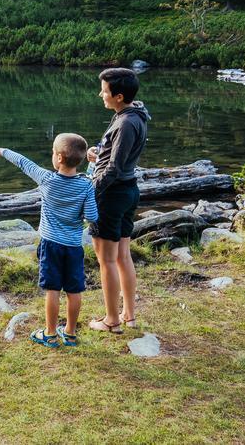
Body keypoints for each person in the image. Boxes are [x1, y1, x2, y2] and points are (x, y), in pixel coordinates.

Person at [0, 134, 98, 348]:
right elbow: (92, 216)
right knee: (74, 291)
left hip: (51, 245)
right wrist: (92, 169)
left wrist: (2, 151)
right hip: (74, 247)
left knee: (53, 290)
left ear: (58, 158)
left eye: (52, 152)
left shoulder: (46, 179)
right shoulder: (86, 185)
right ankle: (70, 333)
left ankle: (49, 334)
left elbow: (23, 163)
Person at [86, 67, 150, 334]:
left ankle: (112, 320)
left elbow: (113, 169)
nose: (101, 94)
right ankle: (128, 316)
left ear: (119, 96)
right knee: (123, 255)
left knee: (107, 260)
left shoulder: (125, 122)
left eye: (104, 90)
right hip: (127, 191)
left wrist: (89, 193)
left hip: (112, 196)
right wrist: (98, 153)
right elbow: (116, 158)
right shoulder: (134, 115)